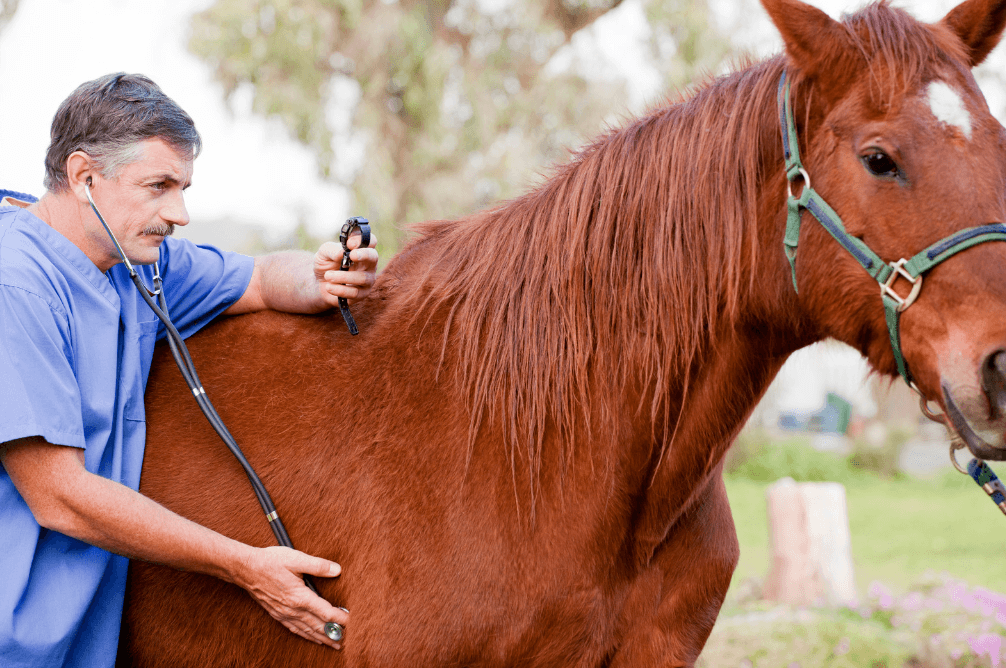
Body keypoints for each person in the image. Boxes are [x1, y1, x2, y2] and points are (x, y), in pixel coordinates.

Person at [0, 73, 377, 667]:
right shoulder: (14, 283)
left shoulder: (139, 264)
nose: (179, 213)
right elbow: (57, 495)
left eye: (184, 188)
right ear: (83, 177)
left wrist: (321, 276)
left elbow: (256, 278)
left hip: (81, 640)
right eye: (159, 186)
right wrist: (245, 565)